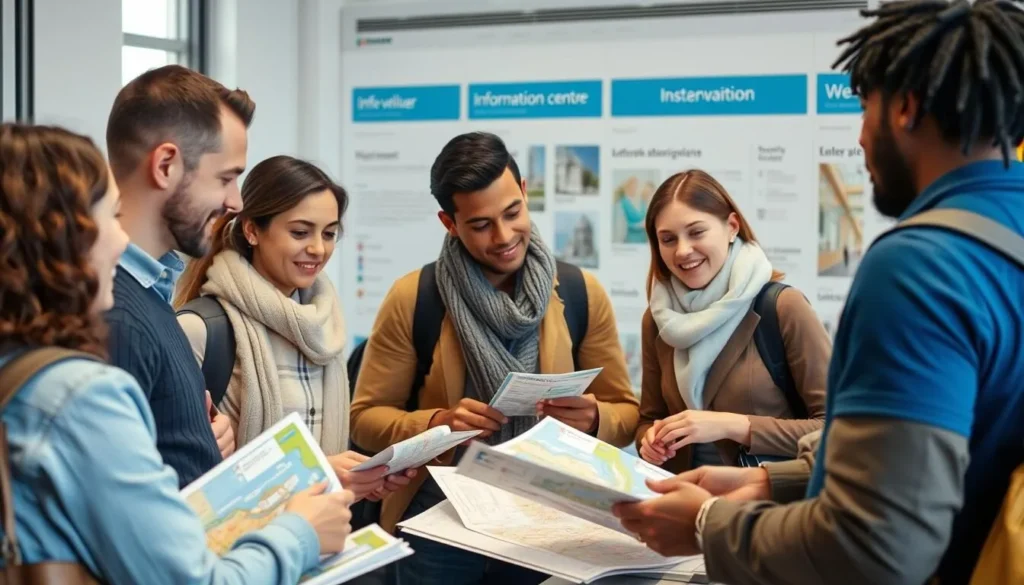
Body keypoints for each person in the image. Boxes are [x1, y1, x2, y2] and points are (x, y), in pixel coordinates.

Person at [612, 2, 1024, 584]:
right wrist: (767, 481)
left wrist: (707, 524)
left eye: (864, 108)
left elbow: (877, 544)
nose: (859, 136)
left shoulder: (918, 267)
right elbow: (919, 460)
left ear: (904, 109)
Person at [0, 122, 354, 584]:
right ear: (60, 241)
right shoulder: (80, 394)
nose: (120, 240)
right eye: (109, 218)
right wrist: (300, 532)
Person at [350, 131, 640, 584]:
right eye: (481, 225)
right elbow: (365, 418)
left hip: (547, 517)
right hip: (438, 523)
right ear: (449, 223)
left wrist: (594, 419)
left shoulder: (581, 292)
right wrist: (438, 424)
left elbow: (626, 412)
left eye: (513, 213)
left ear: (524, 192)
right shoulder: (415, 297)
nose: (504, 237)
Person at [174, 155, 415, 502]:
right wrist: (317, 473)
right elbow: (181, 473)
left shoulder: (324, 326)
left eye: (329, 234)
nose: (318, 249)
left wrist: (359, 480)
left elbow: (323, 452)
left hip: (321, 527)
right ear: (252, 230)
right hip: (243, 533)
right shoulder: (200, 329)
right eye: (300, 232)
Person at [104, 64, 251, 487]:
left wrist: (199, 443)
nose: (236, 202)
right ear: (166, 165)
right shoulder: (117, 318)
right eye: (226, 178)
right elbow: (124, 505)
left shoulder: (149, 290)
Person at [637, 170, 829, 472]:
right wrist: (649, 441)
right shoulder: (658, 321)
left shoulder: (783, 307)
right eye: (668, 239)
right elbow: (649, 419)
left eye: (696, 232)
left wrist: (734, 426)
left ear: (732, 227)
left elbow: (836, 429)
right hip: (680, 496)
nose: (683, 250)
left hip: (767, 498)